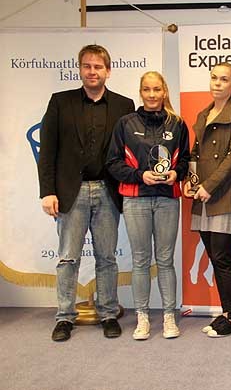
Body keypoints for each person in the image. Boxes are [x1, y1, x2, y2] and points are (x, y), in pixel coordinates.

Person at [38, 44, 135, 341]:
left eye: (98, 67)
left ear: (108, 71)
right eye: (87, 66)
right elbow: (48, 150)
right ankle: (64, 317)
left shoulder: (124, 105)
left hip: (108, 191)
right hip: (71, 192)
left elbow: (130, 152)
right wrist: (47, 191)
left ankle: (108, 313)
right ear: (80, 69)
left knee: (107, 257)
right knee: (68, 258)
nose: (92, 72)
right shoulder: (60, 102)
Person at [106, 71, 190, 340]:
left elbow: (185, 159)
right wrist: (140, 175)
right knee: (141, 260)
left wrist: (177, 173)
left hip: (167, 199)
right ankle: (142, 317)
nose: (152, 95)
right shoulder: (125, 123)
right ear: (141, 92)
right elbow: (113, 163)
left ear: (164, 91)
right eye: (147, 89)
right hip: (136, 198)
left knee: (165, 260)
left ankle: (168, 317)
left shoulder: (177, 123)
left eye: (156, 89)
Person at [184, 62, 231, 337]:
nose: (218, 83)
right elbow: (195, 154)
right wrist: (190, 181)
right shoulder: (203, 114)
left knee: (223, 257)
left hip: (226, 193)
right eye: (214, 78)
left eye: (224, 79)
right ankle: (225, 313)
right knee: (214, 257)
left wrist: (209, 186)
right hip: (202, 195)